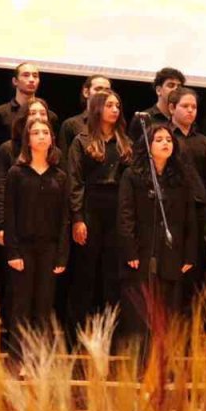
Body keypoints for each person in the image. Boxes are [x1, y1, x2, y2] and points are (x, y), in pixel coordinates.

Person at [118, 123, 198, 348]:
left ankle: (162, 365)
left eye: (169, 140)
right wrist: (129, 250)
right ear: (148, 145)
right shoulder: (133, 175)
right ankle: (141, 365)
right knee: (141, 311)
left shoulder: (180, 177)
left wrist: (189, 254)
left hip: (172, 253)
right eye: (159, 139)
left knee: (168, 311)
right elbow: (126, 215)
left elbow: (189, 218)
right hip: (142, 252)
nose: (165, 143)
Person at [66, 91, 132, 326]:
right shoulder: (82, 140)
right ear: (96, 109)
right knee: (85, 272)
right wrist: (77, 218)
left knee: (112, 273)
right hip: (91, 206)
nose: (115, 109)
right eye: (109, 105)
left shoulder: (126, 142)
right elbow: (74, 180)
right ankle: (78, 330)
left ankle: (110, 330)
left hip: (117, 207)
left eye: (117, 105)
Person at [3, 117, 69, 341]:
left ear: (52, 139)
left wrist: (62, 254)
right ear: (27, 140)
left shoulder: (59, 176)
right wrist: (12, 251)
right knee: (21, 304)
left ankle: (38, 359)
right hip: (23, 246)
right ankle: (18, 357)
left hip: (49, 247)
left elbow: (64, 218)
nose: (42, 136)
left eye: (46, 132)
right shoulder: (16, 173)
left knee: (44, 304)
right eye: (36, 133)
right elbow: (9, 215)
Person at [0, 98, 52, 246]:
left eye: (43, 113)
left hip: (46, 223)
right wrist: (0, 224)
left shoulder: (54, 152)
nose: (38, 116)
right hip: (15, 221)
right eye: (33, 113)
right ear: (23, 117)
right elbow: (1, 188)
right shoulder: (7, 149)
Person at [0, 62, 42, 151]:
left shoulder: (47, 115)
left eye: (35, 76)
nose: (31, 79)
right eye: (26, 75)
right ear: (15, 81)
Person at [168, 86, 206, 186]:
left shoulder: (204, 141)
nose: (190, 110)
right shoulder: (163, 138)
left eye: (194, 107)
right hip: (171, 196)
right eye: (185, 106)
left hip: (199, 198)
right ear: (172, 108)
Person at [130, 67, 186, 143]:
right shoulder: (144, 119)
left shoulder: (185, 118)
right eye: (171, 85)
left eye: (179, 87)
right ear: (159, 90)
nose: (176, 89)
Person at [58, 75, 112, 152]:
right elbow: (64, 159)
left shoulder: (114, 123)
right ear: (86, 92)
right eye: (98, 89)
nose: (103, 93)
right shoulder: (71, 124)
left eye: (107, 90)